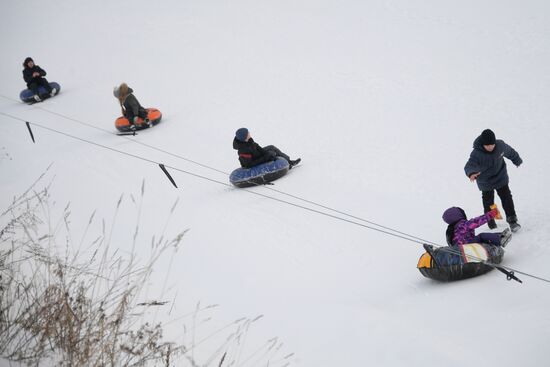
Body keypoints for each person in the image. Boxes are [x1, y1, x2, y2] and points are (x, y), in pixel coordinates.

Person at [464, 129, 523, 232]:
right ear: (483, 144)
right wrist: (472, 173)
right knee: (489, 202)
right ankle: (491, 222)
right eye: (487, 145)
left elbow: (510, 152)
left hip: (500, 177)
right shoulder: (476, 153)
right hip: (485, 181)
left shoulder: (500, 145)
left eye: (492, 145)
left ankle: (512, 221)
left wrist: (516, 160)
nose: (490, 147)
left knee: (507, 198)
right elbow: (469, 165)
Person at [442, 206, 511, 247]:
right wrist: (492, 214)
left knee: (479, 238)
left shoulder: (453, 229)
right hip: (466, 247)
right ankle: (500, 239)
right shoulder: (463, 225)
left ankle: (500, 235)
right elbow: (477, 221)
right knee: (481, 236)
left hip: (460, 250)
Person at [233, 128, 301, 169]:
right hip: (254, 161)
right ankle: (284, 166)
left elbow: (258, 147)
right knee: (272, 153)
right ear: (244, 137)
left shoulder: (249, 140)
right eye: (248, 133)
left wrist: (265, 154)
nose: (249, 133)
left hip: (256, 155)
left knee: (271, 147)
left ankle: (289, 162)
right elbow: (249, 164)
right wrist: (265, 157)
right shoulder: (243, 150)